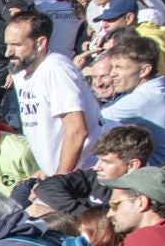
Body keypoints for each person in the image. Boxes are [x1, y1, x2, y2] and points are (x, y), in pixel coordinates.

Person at [5, 12, 99, 176]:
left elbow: (77, 130)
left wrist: (58, 179)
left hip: (82, 173)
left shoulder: (56, 70)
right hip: (53, 171)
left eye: (16, 45)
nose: (8, 52)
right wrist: (46, 170)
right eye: (7, 45)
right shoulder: (21, 71)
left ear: (40, 42)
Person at [98, 34, 165, 162]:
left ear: (144, 70)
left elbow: (91, 124)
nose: (112, 74)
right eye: (112, 67)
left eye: (119, 67)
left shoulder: (142, 100)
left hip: (163, 176)